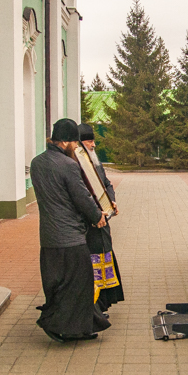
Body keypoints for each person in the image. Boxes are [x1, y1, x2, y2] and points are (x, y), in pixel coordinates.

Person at [31, 118, 112, 342]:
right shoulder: (68, 165)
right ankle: (63, 326)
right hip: (70, 237)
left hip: (48, 237)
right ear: (65, 141)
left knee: (56, 282)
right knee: (79, 284)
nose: (77, 147)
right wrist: (97, 217)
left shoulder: (37, 163)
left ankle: (72, 326)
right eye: (75, 143)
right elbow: (81, 198)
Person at [78, 123, 124, 314]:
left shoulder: (95, 163)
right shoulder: (76, 166)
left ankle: (104, 301)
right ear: (79, 144)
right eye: (90, 141)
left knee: (105, 257)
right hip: (91, 223)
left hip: (103, 222)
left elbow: (106, 184)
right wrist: (96, 214)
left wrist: (111, 201)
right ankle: (95, 304)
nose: (94, 145)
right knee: (94, 262)